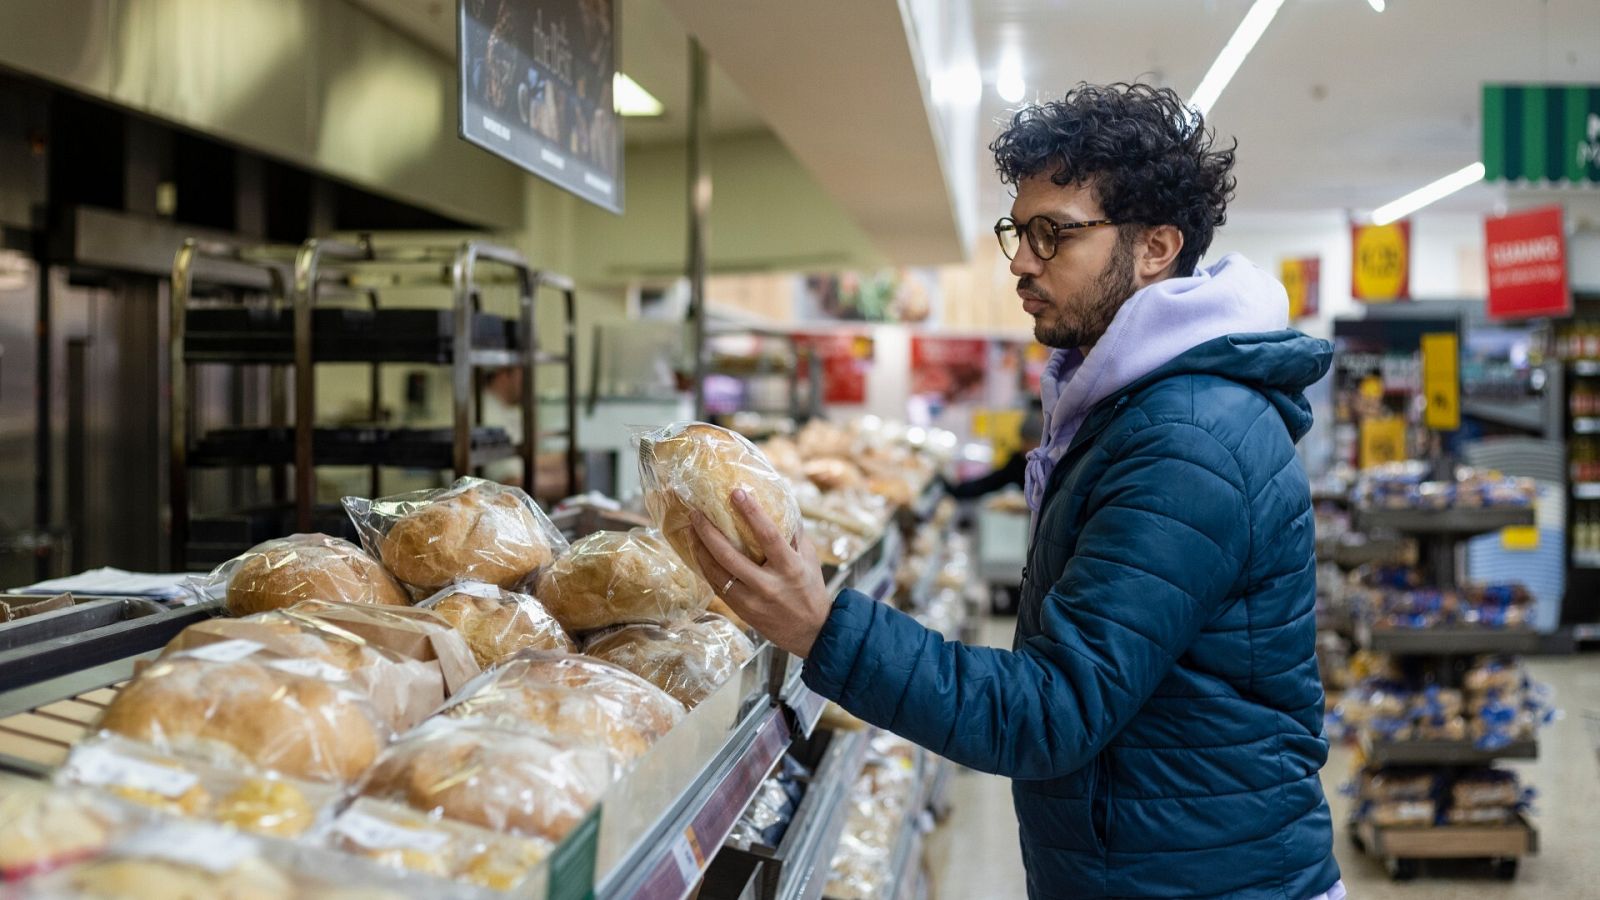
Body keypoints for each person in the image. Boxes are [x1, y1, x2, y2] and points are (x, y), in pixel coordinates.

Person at [688, 84, 1342, 899]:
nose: (1020, 262)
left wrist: (824, 629)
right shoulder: (1137, 409)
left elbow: (1051, 711)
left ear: (1156, 247)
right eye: (1018, 231)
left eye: (1052, 234)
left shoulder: (1187, 440)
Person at [941, 408, 1044, 500]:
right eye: (1023, 441)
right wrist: (955, 490)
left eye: (1029, 443)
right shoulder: (1019, 462)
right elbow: (989, 483)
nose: (1024, 448)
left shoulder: (1046, 467)